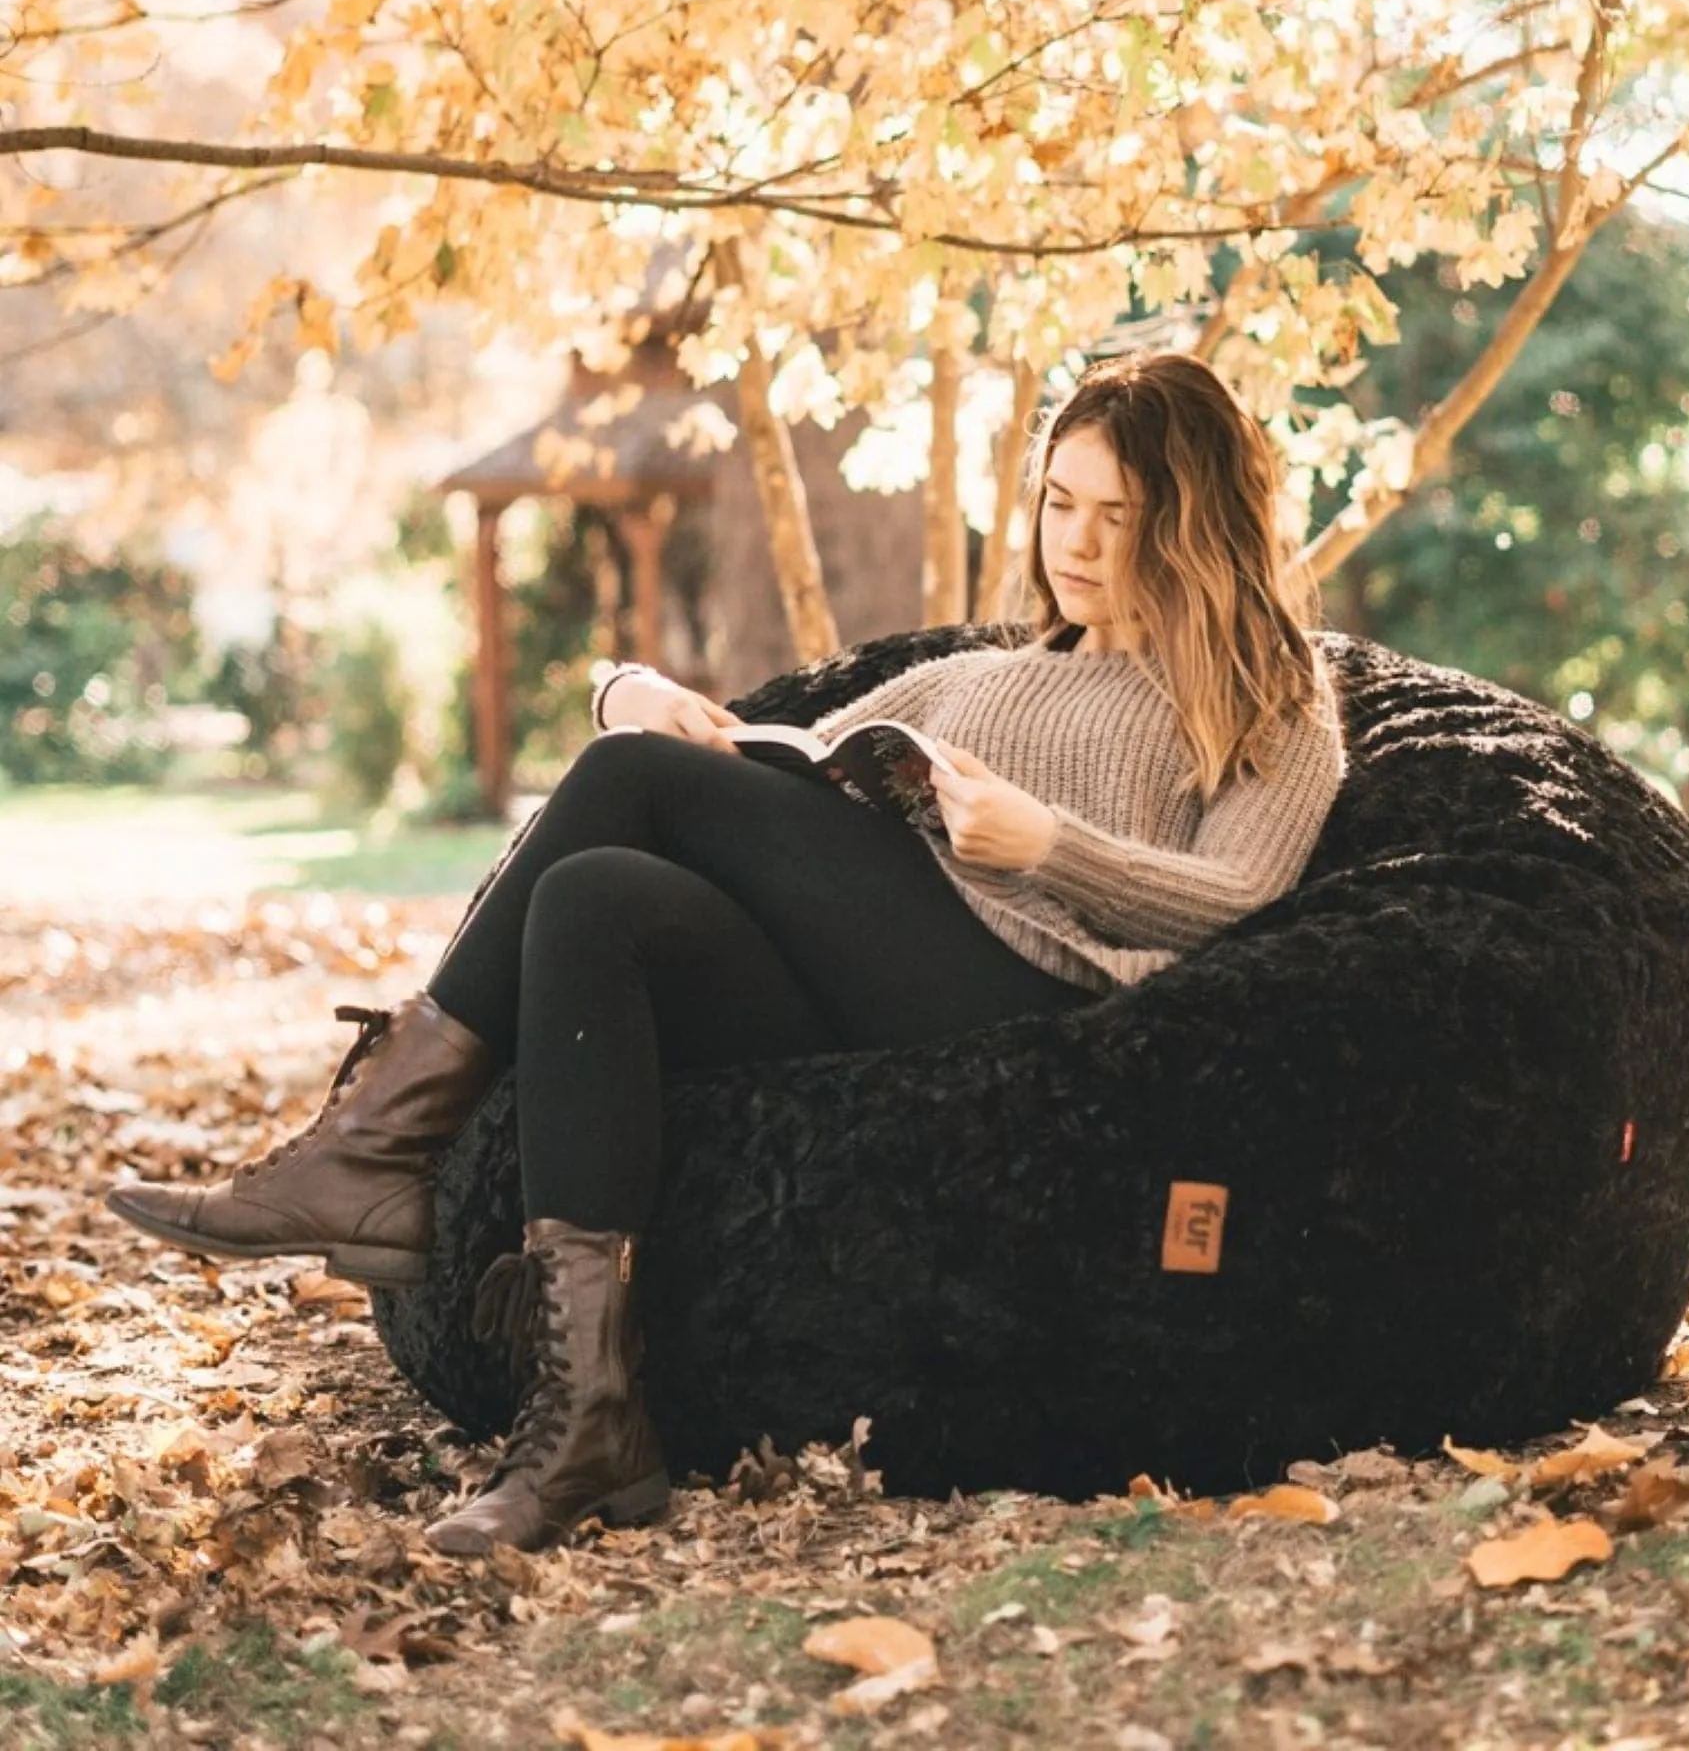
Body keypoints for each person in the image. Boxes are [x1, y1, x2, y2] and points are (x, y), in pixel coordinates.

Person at [107, 348, 1346, 1555]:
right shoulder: (975, 676)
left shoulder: (1264, 696)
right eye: (1059, 503)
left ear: (1191, 524)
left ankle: (374, 1147)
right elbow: (773, 766)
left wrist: (1050, 847)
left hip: (1024, 1003)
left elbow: (1240, 902)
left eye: (1117, 516)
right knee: (595, 894)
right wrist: (634, 698)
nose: (1074, 542)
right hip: (861, 992)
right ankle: (587, 1413)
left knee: (628, 788)